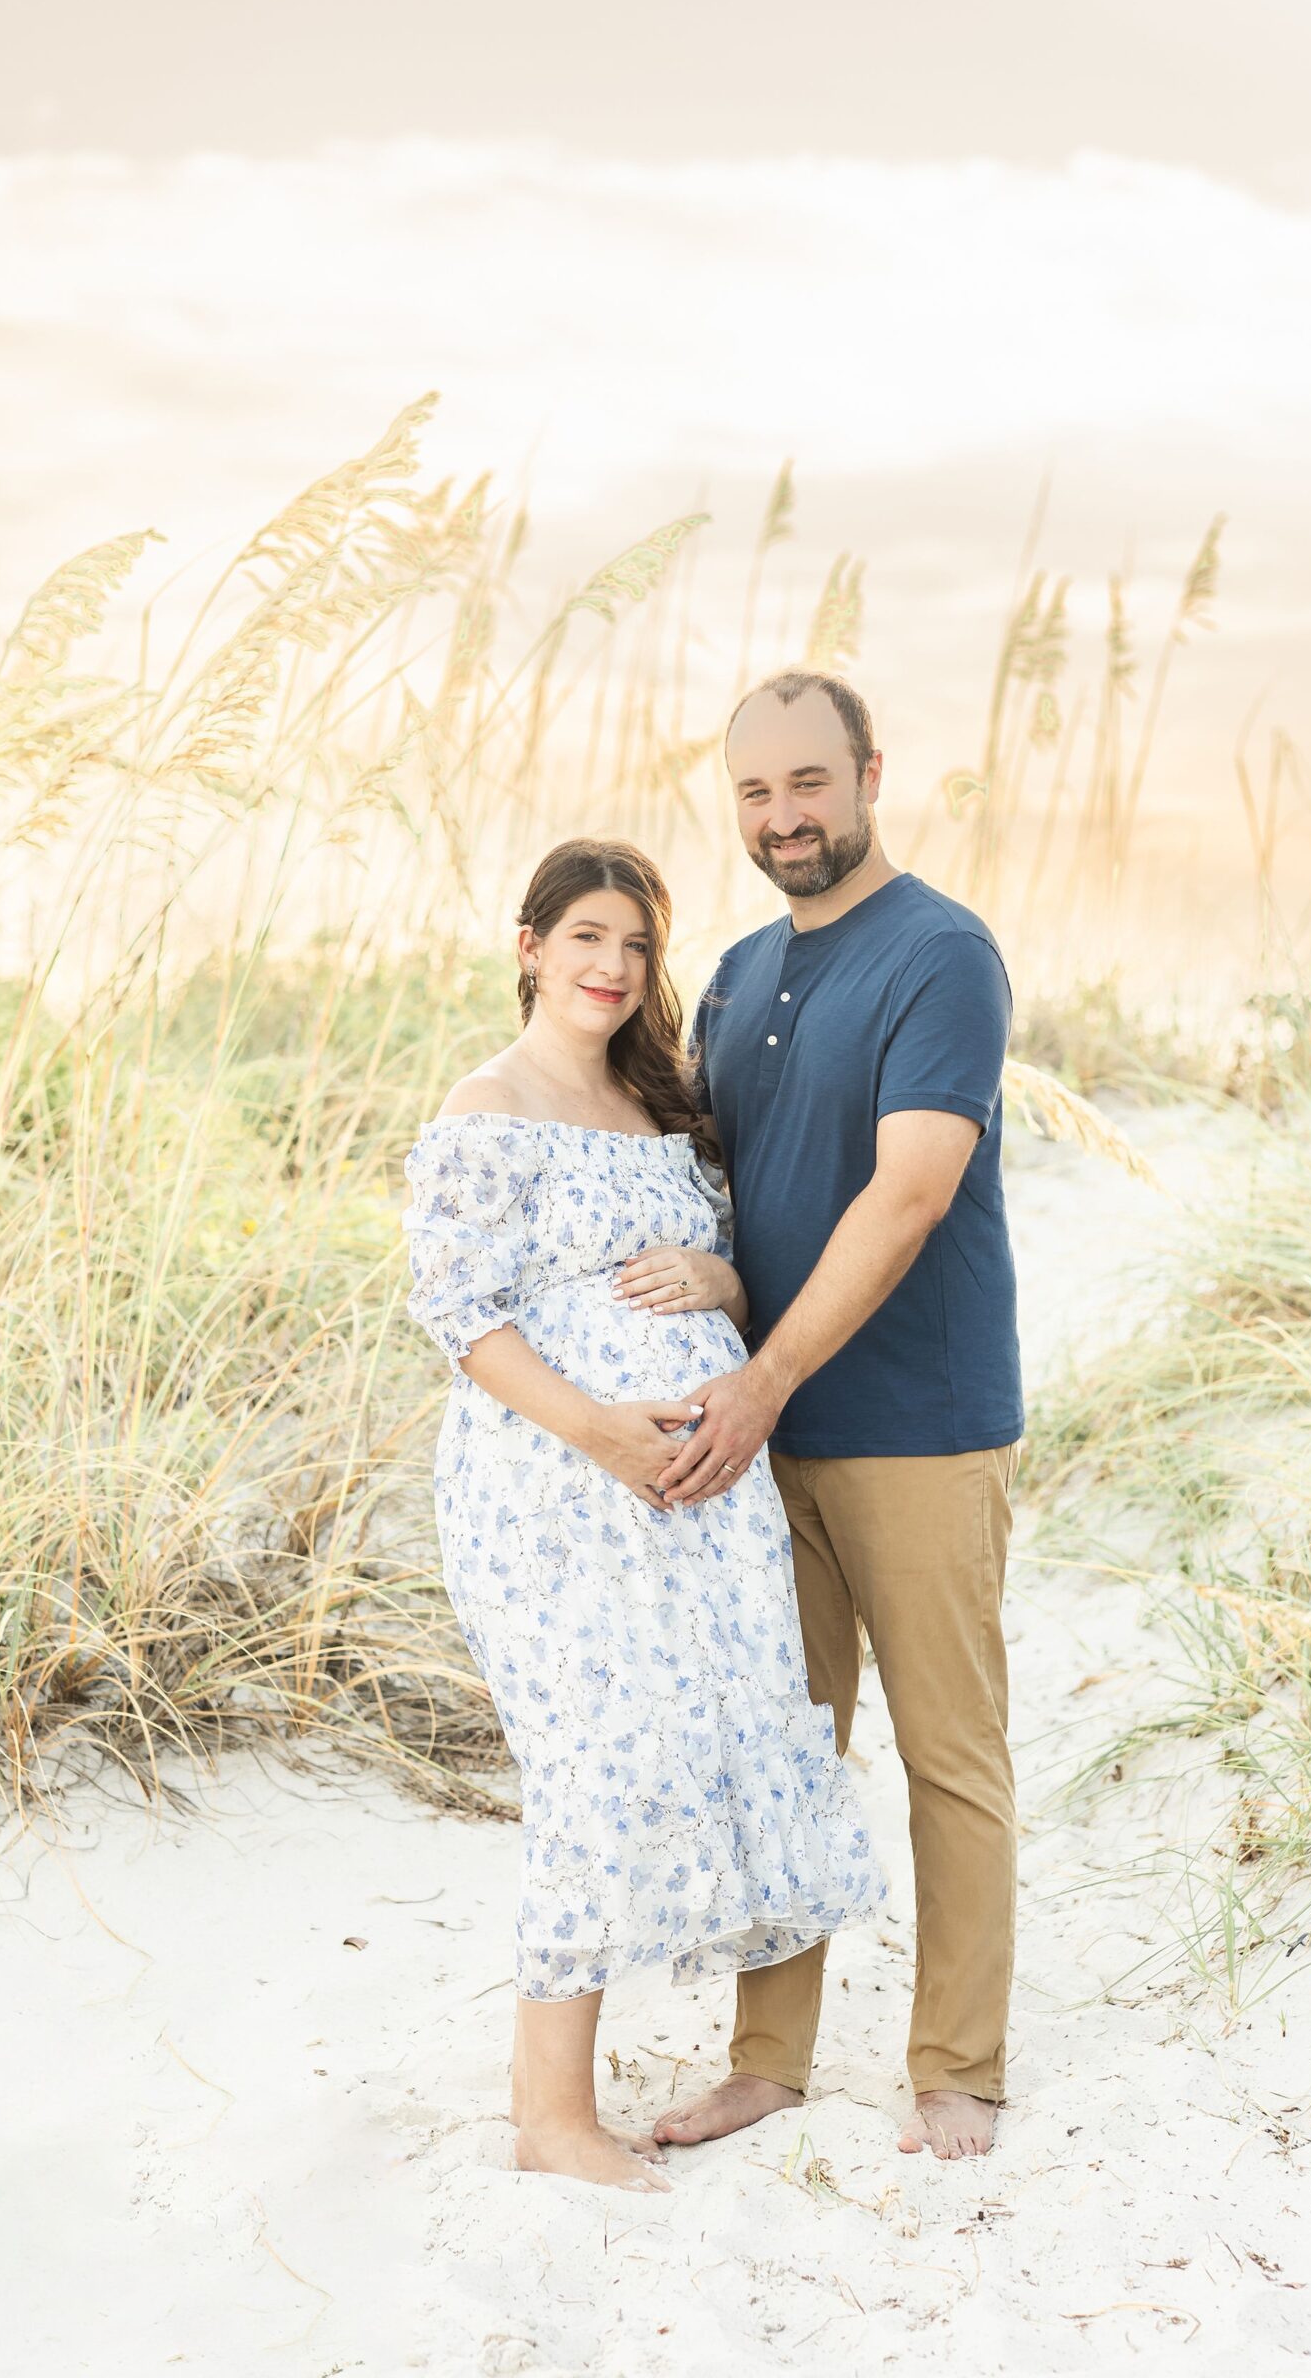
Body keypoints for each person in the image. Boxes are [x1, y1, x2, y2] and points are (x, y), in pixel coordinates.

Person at [401, 835, 884, 2193]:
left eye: (635, 945)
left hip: (695, 1504)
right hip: (550, 1491)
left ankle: (592, 2082)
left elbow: (738, 1276)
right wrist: (603, 1429)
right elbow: (461, 1316)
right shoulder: (485, 1107)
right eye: (587, 938)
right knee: (586, 1768)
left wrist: (718, 1285)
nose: (612, 968)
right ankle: (550, 2117)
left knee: (669, 1753)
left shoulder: (662, 1106)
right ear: (531, 946)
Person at [651, 668, 1024, 2164]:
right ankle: (770, 2056)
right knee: (784, 1750)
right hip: (766, 1439)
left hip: (918, 1422)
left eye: (810, 783)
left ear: (870, 773)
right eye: (755, 791)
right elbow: (725, 1181)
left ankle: (957, 2063)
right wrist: (699, 1270)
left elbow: (912, 1187)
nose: (784, 816)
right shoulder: (738, 972)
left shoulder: (942, 954)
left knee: (948, 1751)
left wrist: (764, 1374)